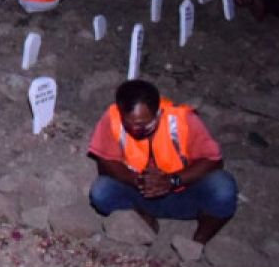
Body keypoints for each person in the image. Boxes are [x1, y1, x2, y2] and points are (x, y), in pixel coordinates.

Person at [88, 79, 237, 244]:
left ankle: (197, 244)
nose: (135, 131)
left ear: (158, 112)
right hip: (139, 193)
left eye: (143, 125)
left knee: (223, 187)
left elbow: (214, 161)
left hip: (182, 192)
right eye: (129, 125)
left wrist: (172, 180)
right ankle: (143, 222)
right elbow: (105, 161)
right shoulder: (113, 118)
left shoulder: (182, 120)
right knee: (102, 191)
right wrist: (138, 181)